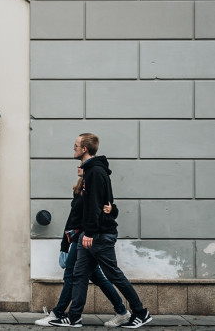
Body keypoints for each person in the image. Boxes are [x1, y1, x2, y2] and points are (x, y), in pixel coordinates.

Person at [50, 133, 152, 329]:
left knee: (113, 274)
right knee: (79, 275)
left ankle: (140, 312)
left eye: (76, 145)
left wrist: (89, 232)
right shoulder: (90, 172)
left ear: (85, 149)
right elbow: (104, 204)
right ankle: (74, 317)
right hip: (91, 234)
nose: (74, 148)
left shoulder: (95, 172)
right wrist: (108, 212)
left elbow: (96, 206)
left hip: (98, 235)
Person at [35, 166, 130, 327]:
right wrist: (64, 245)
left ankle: (58, 313)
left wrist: (112, 210)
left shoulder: (93, 185)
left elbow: (105, 209)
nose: (78, 166)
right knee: (97, 277)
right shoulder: (80, 188)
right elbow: (73, 217)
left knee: (70, 275)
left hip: (85, 239)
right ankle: (122, 311)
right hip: (79, 239)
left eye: (82, 165)